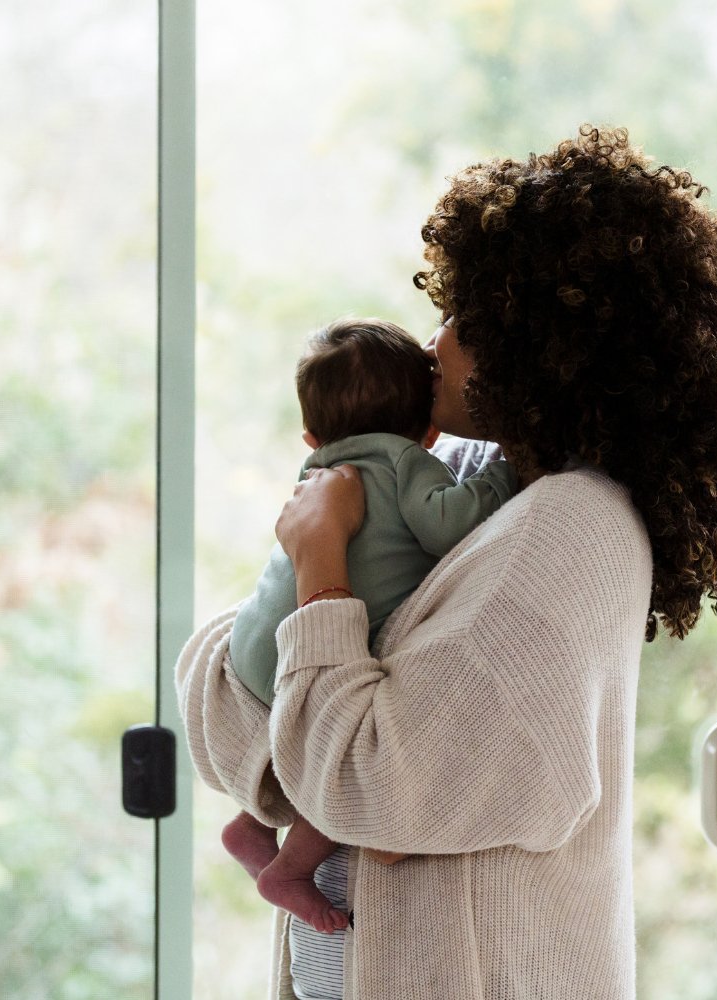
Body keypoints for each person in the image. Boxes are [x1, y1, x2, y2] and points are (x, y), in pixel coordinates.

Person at [176, 126, 717, 1000]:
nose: (435, 343)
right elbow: (214, 689)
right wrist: (328, 757)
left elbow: (366, 788)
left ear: (549, 346)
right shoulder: (461, 484)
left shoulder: (569, 534)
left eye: (466, 319)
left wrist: (318, 563)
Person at [220, 317, 516, 934]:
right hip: (315, 647)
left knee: (293, 744)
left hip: (252, 645)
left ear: (309, 435)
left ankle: (252, 824)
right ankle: (289, 871)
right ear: (428, 429)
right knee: (338, 769)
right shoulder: (406, 459)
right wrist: (504, 472)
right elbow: (446, 525)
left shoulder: (319, 470)